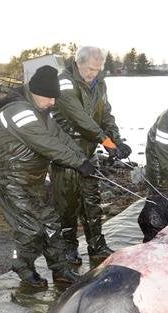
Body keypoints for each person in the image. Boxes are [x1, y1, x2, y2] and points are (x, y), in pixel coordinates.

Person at [0, 65, 97, 287]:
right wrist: (78, 163)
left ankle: (60, 270)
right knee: (30, 229)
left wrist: (84, 158)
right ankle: (22, 266)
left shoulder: (42, 111)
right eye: (49, 97)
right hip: (12, 181)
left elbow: (60, 136)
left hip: (35, 180)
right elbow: (47, 144)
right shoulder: (18, 111)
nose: (53, 102)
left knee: (52, 224)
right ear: (35, 91)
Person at [50, 46, 132, 265]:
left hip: (88, 150)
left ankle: (97, 245)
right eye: (89, 69)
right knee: (67, 204)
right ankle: (68, 247)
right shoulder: (64, 81)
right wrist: (104, 140)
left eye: (97, 69)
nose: (93, 74)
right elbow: (78, 117)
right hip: (65, 151)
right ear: (78, 62)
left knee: (91, 201)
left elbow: (105, 114)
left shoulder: (100, 84)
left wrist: (116, 140)